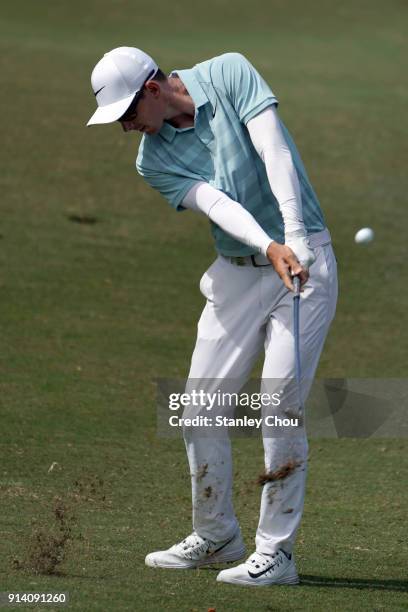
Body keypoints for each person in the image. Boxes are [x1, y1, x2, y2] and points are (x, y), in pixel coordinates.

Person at [87, 46, 338, 587]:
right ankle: (218, 533)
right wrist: (271, 246)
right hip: (240, 270)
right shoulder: (152, 159)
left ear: (152, 90)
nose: (127, 128)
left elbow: (273, 150)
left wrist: (293, 238)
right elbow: (218, 205)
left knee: (278, 406)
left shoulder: (229, 71)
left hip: (305, 262)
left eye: (127, 114)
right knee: (199, 406)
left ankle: (278, 555)